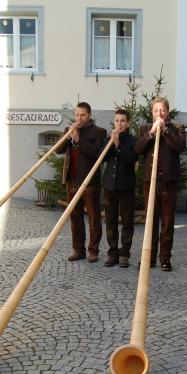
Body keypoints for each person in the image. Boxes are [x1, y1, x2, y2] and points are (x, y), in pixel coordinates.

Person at [134, 97, 186, 271]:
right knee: (150, 221)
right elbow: (138, 149)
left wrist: (165, 131)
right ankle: (149, 257)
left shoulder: (177, 128)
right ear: (152, 112)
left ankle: (165, 258)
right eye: (156, 110)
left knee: (167, 222)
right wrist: (151, 133)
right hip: (151, 181)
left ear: (167, 112)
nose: (159, 113)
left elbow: (180, 147)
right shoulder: (145, 128)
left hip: (169, 181)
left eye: (162, 110)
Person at [60, 102, 106, 262]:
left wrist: (77, 139)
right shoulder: (69, 130)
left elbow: (95, 154)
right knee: (75, 217)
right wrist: (69, 136)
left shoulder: (99, 132)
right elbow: (58, 150)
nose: (79, 118)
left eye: (83, 115)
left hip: (89, 181)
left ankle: (93, 250)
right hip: (72, 180)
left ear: (89, 115)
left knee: (93, 217)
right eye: (77, 115)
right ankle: (78, 249)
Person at [103, 109, 137, 268]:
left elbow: (131, 159)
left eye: (122, 121)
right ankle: (112, 252)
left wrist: (118, 145)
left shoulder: (132, 141)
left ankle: (124, 253)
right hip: (110, 186)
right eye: (117, 120)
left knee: (127, 222)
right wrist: (111, 142)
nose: (119, 124)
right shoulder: (107, 139)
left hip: (126, 186)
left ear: (128, 123)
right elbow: (102, 157)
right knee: (110, 222)